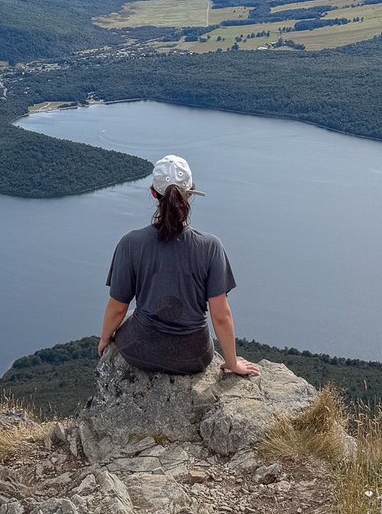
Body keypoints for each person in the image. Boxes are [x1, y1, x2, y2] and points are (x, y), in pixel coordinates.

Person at [98, 154, 261, 377]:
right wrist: (232, 363)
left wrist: (105, 340)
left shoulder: (131, 243)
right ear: (190, 194)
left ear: (154, 193)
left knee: (133, 315)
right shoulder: (210, 247)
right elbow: (221, 316)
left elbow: (118, 307)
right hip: (194, 357)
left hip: (140, 350)